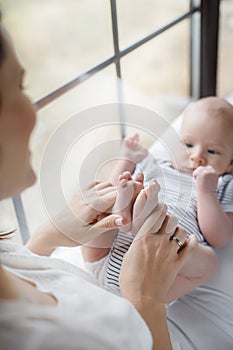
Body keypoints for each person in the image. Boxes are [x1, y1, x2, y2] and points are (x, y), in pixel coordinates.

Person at [0, 12, 198, 350]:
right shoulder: (56, 340)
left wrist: (45, 240)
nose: (32, 108)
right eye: (19, 86)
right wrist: (146, 302)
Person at [82, 97, 233, 300]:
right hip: (107, 254)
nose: (196, 156)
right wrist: (126, 160)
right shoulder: (156, 164)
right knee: (106, 201)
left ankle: (147, 223)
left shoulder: (221, 184)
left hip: (159, 272)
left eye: (212, 151)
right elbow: (110, 189)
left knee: (209, 262)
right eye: (188, 144)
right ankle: (138, 218)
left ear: (230, 162)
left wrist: (206, 192)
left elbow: (219, 237)